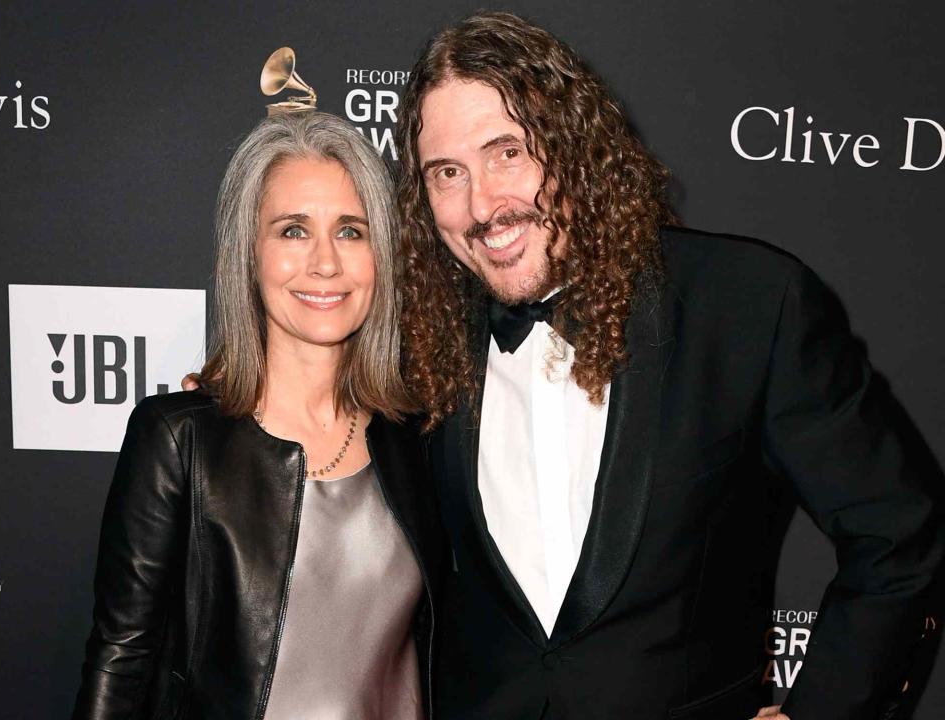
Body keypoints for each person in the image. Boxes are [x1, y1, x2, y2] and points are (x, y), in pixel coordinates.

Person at [396, 11, 944, 720]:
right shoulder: (421, 339)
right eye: (448, 172)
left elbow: (899, 534)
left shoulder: (747, 305)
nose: (482, 204)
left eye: (508, 152)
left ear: (574, 145)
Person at [72, 111, 443, 719]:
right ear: (248, 254)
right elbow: (120, 661)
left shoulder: (419, 438)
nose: (326, 262)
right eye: (293, 231)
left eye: (352, 231)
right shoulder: (179, 441)